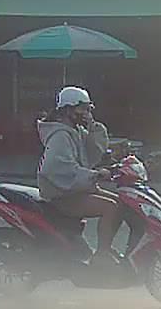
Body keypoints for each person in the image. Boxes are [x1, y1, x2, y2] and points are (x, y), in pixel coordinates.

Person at [36, 86, 122, 259]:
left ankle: (105, 249)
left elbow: (94, 152)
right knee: (111, 208)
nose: (87, 114)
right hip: (63, 195)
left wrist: (94, 127)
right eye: (83, 109)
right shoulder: (60, 135)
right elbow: (59, 170)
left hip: (75, 190)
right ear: (68, 110)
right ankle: (102, 255)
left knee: (122, 202)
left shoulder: (76, 131)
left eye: (89, 109)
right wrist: (94, 175)